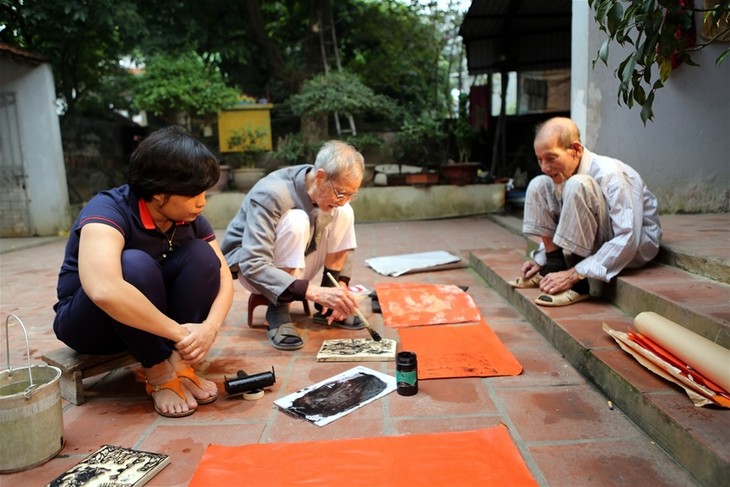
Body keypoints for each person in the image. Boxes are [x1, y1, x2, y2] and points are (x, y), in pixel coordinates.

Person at [53, 126, 233, 418]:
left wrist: (209, 328)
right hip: (92, 325)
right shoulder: (108, 209)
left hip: (150, 326)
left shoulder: (189, 217)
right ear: (159, 193)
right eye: (194, 194)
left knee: (202, 257)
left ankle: (179, 362)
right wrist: (179, 332)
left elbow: (224, 275)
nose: (202, 202)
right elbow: (104, 289)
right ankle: (158, 369)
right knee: (132, 265)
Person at [221, 140, 365, 351]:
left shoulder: (329, 194)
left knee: (345, 211)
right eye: (341, 193)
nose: (344, 199)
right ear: (320, 177)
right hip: (255, 271)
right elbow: (253, 263)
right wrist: (313, 292)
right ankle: (278, 308)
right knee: (296, 220)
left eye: (352, 194)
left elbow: (337, 225)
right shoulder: (272, 193)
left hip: (299, 261)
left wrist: (338, 291)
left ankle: (328, 307)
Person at [509, 117, 662, 306]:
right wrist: (543, 259)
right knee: (539, 184)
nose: (544, 167)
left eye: (551, 158)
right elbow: (566, 218)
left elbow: (629, 238)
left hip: (634, 247)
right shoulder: (564, 173)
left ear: (576, 150)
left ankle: (579, 286)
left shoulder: (610, 174)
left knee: (578, 184)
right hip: (599, 241)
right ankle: (553, 265)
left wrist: (573, 275)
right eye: (540, 160)